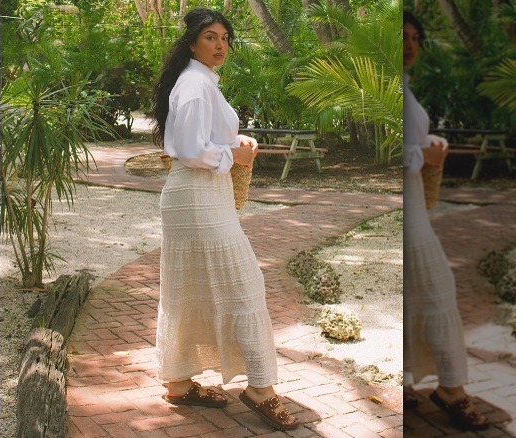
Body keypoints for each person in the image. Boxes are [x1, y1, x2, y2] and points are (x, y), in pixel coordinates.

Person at [149, 8, 299, 431]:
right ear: (193, 43)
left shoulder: (198, 82)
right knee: (244, 283)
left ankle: (178, 381)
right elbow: (194, 151)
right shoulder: (196, 83)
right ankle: (260, 390)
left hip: (197, 197)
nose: (220, 45)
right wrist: (234, 154)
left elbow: (197, 141)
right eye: (211, 37)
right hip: (197, 198)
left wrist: (235, 141)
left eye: (225, 38)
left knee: (187, 288)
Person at [403, 11, 489, 430]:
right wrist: (424, 155)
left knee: (413, 293)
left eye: (416, 37)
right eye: (402, 36)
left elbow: (409, 142)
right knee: (437, 288)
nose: (410, 44)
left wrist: (427, 145)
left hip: (415, 205)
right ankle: (451, 388)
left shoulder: (404, 87)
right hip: (406, 215)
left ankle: (405, 381)